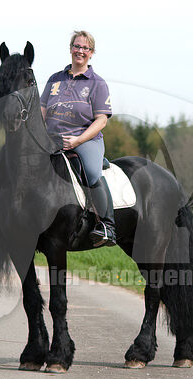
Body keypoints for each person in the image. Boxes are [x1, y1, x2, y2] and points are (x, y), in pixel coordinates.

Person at [40, 30, 116, 247]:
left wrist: (77, 141)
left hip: (85, 140)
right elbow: (42, 112)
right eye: (77, 46)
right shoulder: (55, 79)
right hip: (52, 140)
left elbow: (101, 121)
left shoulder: (97, 84)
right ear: (70, 49)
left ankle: (107, 226)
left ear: (91, 53)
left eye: (85, 48)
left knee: (92, 173)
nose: (80, 51)